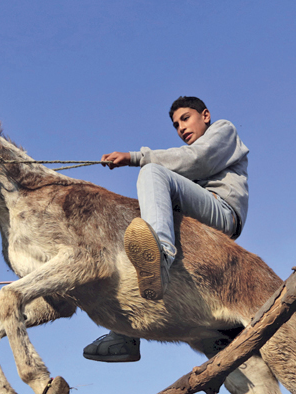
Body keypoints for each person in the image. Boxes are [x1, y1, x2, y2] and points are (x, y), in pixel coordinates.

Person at [84, 96, 250, 362]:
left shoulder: (223, 130)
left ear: (205, 115)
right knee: (139, 223)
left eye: (186, 118)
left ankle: (160, 257)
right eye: (175, 125)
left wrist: (134, 157)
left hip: (222, 213)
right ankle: (125, 335)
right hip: (196, 219)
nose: (181, 128)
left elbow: (199, 159)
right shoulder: (184, 164)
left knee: (152, 173)